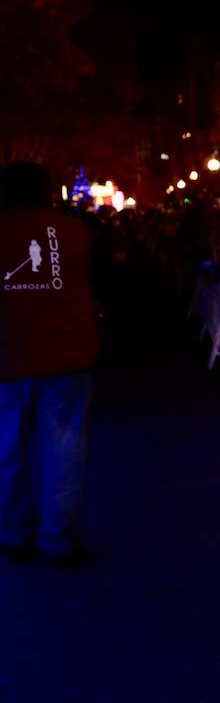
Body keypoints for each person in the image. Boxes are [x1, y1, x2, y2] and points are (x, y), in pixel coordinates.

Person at [0, 161, 99, 565]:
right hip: (67, 353)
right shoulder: (74, 231)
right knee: (64, 449)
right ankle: (58, 539)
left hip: (8, 355)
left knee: (6, 449)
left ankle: (12, 532)